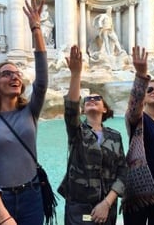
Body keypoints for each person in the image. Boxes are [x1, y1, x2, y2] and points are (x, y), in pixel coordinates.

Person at [0, 0, 48, 225]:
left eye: (17, 74)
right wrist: (1, 214)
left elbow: (42, 82)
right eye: (6, 73)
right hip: (0, 199)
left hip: (32, 195)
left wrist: (36, 30)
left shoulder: (30, 112)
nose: (14, 76)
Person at [57, 45, 127, 225]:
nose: (92, 100)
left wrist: (107, 202)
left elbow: (123, 172)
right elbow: (71, 109)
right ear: (83, 109)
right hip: (79, 208)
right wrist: (76, 75)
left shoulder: (115, 136)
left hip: (107, 207)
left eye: (97, 99)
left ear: (105, 109)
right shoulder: (77, 132)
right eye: (88, 100)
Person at [122, 46, 154, 225]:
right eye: (150, 89)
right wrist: (141, 75)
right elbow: (134, 105)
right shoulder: (136, 119)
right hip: (138, 195)